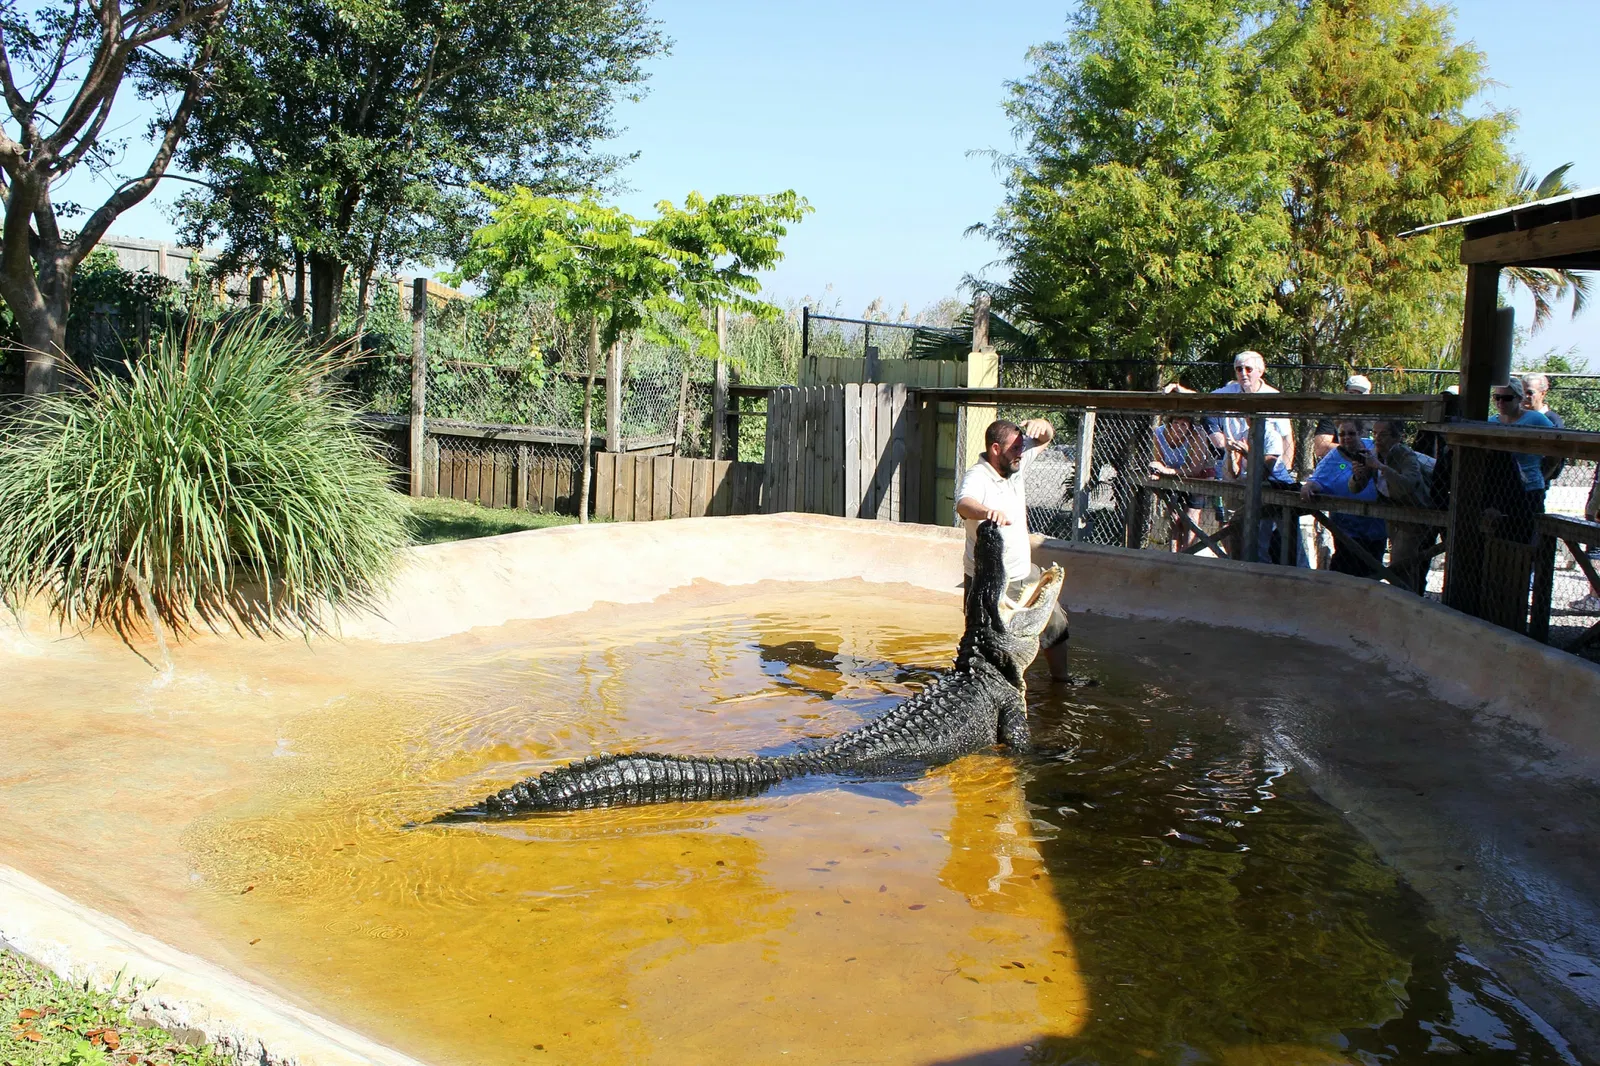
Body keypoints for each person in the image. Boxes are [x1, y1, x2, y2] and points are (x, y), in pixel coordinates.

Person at [955, 418, 1071, 679]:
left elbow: (1045, 438)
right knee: (987, 645)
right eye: (1015, 448)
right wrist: (987, 512)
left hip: (1023, 570)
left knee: (1056, 623)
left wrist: (1044, 425)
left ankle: (1062, 681)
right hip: (990, 579)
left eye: (1021, 447)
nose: (1021, 452)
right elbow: (963, 504)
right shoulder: (978, 475)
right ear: (996, 449)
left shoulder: (1015, 464)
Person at [1203, 351, 1295, 561]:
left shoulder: (1273, 404)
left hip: (1269, 481)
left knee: (1266, 534)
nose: (1243, 373)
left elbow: (1287, 440)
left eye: (1248, 369)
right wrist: (1179, 389)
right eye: (1238, 369)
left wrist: (1285, 472)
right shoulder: (1231, 392)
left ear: (1260, 371)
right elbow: (1204, 399)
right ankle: (1236, 565)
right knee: (1234, 527)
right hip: (1239, 476)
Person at [1350, 419, 1435, 594]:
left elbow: (1408, 485)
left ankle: (1403, 601)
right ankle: (1412, 598)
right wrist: (1358, 475)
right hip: (1392, 515)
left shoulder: (1406, 455)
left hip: (1414, 514)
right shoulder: (1373, 453)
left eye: (1383, 434)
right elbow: (1355, 488)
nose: (1377, 439)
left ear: (1397, 438)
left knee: (1399, 564)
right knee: (1406, 566)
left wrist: (1381, 467)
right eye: (1374, 434)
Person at [1301, 420, 1385, 576]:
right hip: (1347, 529)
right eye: (1342, 434)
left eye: (1351, 433)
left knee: (1373, 572)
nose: (1346, 438)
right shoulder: (1333, 457)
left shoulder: (1373, 448)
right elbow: (1317, 479)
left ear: (1360, 433)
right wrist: (1308, 487)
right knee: (1345, 570)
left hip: (1376, 526)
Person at [1488, 378, 1555, 540]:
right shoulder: (1490, 423)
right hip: (1498, 490)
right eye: (1497, 397)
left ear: (1519, 398)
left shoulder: (1536, 420)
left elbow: (1556, 449)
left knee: (1526, 537)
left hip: (1529, 487)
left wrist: (1543, 474)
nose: (1501, 402)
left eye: (1507, 398)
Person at [1149, 414, 1216, 551]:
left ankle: (1188, 552)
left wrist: (1167, 471)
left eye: (1183, 424)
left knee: (1190, 517)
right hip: (1172, 476)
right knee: (1174, 516)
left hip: (1198, 476)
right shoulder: (1160, 433)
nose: (1178, 427)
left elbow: (1195, 469)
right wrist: (1157, 469)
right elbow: (1158, 460)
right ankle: (1173, 552)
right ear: (1170, 423)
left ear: (1190, 427)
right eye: (1175, 423)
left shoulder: (1197, 434)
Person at [1311, 374, 1373, 461]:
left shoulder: (1375, 418)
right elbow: (1321, 448)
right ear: (1345, 392)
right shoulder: (1332, 415)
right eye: (1351, 392)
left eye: (1360, 393)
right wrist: (1355, 449)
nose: (1355, 396)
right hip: (1338, 463)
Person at [1521, 372, 1567, 487]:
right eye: (1521, 392)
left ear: (1543, 393)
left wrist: (1539, 480)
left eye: (1529, 392)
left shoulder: (1552, 420)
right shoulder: (1514, 417)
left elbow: (1556, 460)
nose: (1524, 397)